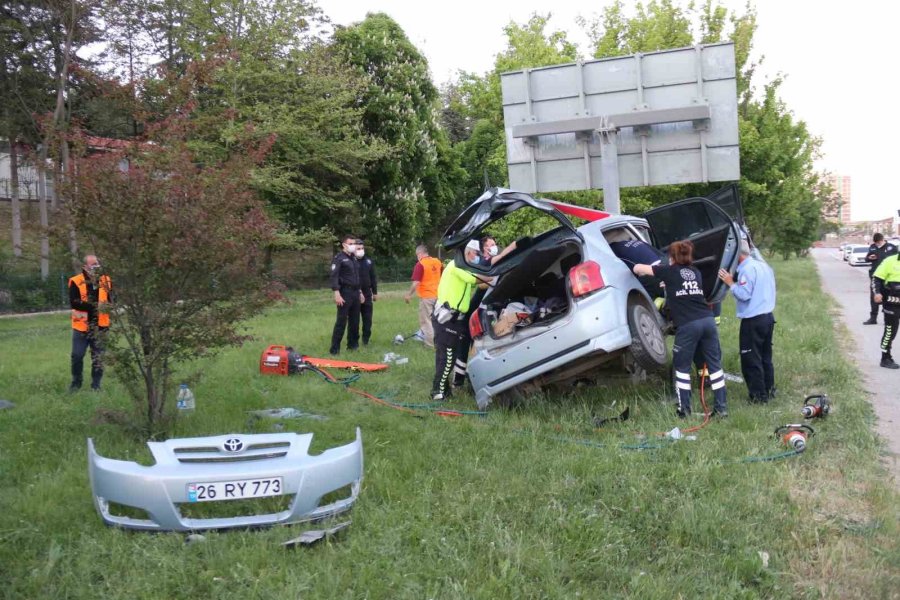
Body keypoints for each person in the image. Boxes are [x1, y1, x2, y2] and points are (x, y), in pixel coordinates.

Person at [633, 240, 728, 418]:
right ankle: (721, 408)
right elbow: (684, 286)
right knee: (715, 367)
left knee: (681, 367)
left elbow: (639, 268)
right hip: (707, 322)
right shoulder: (695, 272)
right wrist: (668, 284)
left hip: (689, 325)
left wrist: (633, 265)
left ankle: (684, 409)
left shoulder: (668, 271)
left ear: (672, 257)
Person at [718, 239, 777, 403]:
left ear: (738, 254)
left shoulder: (747, 269)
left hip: (753, 320)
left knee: (751, 359)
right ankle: (769, 389)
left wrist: (730, 282)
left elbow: (744, 294)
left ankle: (758, 396)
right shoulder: (763, 265)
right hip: (768, 317)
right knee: (765, 356)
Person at [431, 242, 487, 401]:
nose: (477, 257)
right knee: (447, 357)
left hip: (455, 318)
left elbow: (481, 285)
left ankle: (444, 389)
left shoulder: (462, 267)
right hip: (447, 317)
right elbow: (476, 280)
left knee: (447, 355)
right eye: (475, 254)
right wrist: (493, 275)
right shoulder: (456, 265)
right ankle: (437, 392)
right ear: (467, 253)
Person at [68, 254, 112, 392]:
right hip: (81, 326)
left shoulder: (106, 280)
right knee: (77, 355)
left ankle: (96, 385)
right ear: (85, 267)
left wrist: (108, 307)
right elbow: (74, 302)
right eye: (93, 265)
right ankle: (76, 383)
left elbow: (111, 299)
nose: (96, 267)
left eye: (97, 264)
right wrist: (94, 306)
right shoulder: (75, 281)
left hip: (101, 326)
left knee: (98, 357)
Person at [329, 234, 364, 355]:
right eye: (351, 244)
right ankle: (335, 349)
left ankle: (353, 346)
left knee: (355, 321)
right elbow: (334, 277)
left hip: (355, 292)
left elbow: (356, 276)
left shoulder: (353, 258)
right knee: (341, 321)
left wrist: (360, 292)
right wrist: (336, 293)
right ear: (344, 245)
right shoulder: (339, 258)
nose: (353, 246)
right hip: (344, 292)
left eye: (354, 243)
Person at [404, 244, 442, 348]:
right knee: (437, 320)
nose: (417, 257)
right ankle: (439, 341)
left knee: (426, 321)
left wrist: (408, 295)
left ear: (420, 253)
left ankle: (430, 344)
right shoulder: (437, 262)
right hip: (439, 295)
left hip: (427, 297)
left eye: (417, 255)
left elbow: (416, 282)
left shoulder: (420, 264)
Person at [872, 252, 900, 369]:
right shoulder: (890, 261)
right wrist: (877, 292)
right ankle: (885, 358)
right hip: (892, 303)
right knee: (890, 332)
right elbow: (876, 279)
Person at [863, 233, 898, 325]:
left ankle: (888, 319)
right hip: (876, 276)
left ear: (883, 240)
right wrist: (869, 258)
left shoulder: (892, 247)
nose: (877, 244)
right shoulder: (872, 247)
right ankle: (873, 318)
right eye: (876, 243)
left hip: (888, 278)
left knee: (888, 298)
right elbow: (866, 258)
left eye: (879, 242)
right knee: (874, 297)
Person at [355, 239, 378, 346]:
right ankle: (354, 340)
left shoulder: (368, 261)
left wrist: (375, 292)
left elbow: (373, 277)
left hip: (367, 294)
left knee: (367, 319)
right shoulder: (351, 262)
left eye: (362, 248)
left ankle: (366, 340)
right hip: (354, 294)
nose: (361, 250)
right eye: (358, 249)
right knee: (354, 319)